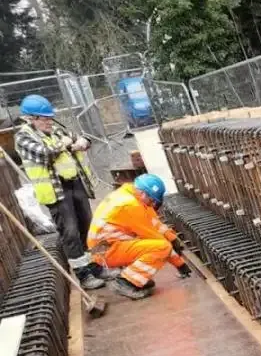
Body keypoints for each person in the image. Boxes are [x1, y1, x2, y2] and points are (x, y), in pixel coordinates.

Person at [13, 94, 105, 289]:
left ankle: (95, 267)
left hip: (75, 183)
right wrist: (66, 144)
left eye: (50, 118)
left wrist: (83, 142)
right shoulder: (23, 137)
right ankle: (83, 274)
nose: (49, 122)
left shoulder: (56, 130)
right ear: (31, 119)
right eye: (44, 118)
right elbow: (44, 153)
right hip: (56, 191)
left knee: (86, 226)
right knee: (70, 231)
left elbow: (82, 139)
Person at [87, 174, 191, 300]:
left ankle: (134, 278)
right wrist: (180, 264)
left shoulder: (129, 195)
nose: (153, 204)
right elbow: (156, 238)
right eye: (152, 200)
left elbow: (154, 223)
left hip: (106, 246)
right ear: (143, 194)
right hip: (106, 252)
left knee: (155, 244)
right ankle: (126, 282)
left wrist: (172, 238)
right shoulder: (131, 206)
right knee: (162, 248)